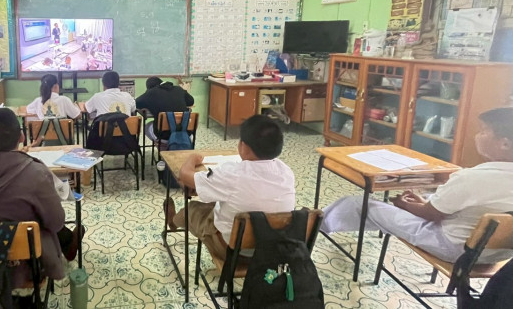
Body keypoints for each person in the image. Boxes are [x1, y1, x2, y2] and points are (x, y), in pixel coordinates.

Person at [320, 107, 513, 263]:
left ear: (504, 144)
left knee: (358, 204)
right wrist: (425, 203)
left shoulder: (471, 178)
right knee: (424, 201)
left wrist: (404, 205)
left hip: (452, 247)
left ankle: (314, 226)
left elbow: (431, 215)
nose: (477, 135)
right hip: (497, 256)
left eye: (483, 131)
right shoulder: (482, 177)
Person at [0, 108, 82, 283]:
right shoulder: (36, 172)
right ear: (21, 137)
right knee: (43, 218)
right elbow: (56, 222)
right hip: (28, 262)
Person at [166, 115, 295, 260]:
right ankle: (177, 220)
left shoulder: (232, 174)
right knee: (222, 201)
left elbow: (185, 175)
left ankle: (173, 222)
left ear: (244, 147)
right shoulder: (286, 172)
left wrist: (192, 158)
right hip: (274, 250)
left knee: (192, 209)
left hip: (233, 250)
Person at [135, 77, 195, 141]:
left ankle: (162, 144)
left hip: (164, 137)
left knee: (147, 126)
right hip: (186, 134)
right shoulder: (179, 89)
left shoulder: (151, 92)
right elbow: (191, 101)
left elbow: (136, 103)